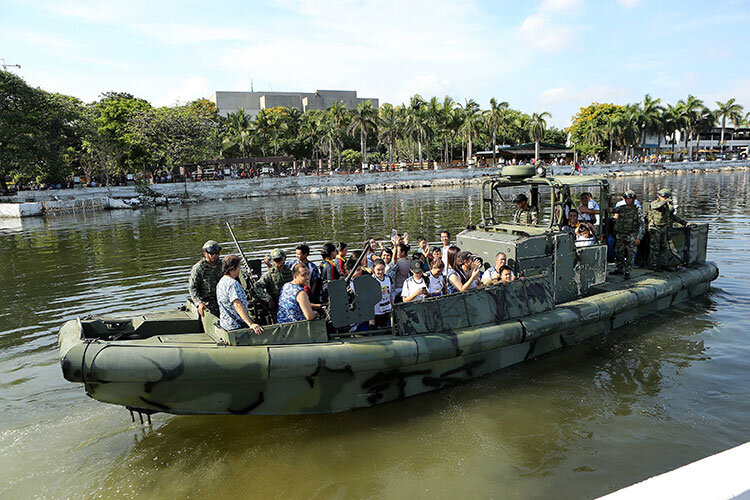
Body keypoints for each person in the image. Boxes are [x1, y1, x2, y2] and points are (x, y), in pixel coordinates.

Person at [216, 255, 263, 334]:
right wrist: (251, 324)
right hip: (236, 327)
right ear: (232, 268)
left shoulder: (221, 281)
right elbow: (237, 305)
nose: (240, 269)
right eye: (238, 266)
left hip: (225, 325)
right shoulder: (233, 284)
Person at [647, 188, 687, 271]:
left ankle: (663, 264)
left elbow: (672, 214)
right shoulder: (655, 203)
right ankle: (653, 265)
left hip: (664, 228)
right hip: (655, 227)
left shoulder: (667, 206)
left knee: (664, 248)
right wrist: (666, 202)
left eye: (666, 197)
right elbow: (657, 206)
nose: (664, 198)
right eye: (663, 197)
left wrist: (684, 223)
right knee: (655, 248)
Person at [610, 190, 645, 279]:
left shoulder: (638, 210)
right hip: (621, 234)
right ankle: (620, 268)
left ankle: (628, 271)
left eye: (630, 199)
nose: (628, 200)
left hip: (631, 235)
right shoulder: (621, 208)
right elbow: (610, 210)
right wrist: (609, 200)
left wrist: (638, 237)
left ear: (633, 199)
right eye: (626, 199)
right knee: (619, 252)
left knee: (630, 253)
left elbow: (642, 224)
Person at [189, 240, 224, 317]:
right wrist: (199, 303)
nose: (214, 255)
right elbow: (193, 288)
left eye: (217, 253)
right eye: (211, 253)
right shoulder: (199, 268)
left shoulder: (223, 265)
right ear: (205, 253)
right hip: (207, 301)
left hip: (222, 299)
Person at [257, 248, 294, 313]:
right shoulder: (269, 274)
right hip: (276, 305)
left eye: (279, 259)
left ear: (284, 259)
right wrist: (268, 299)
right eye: (276, 260)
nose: (278, 262)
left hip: (290, 303)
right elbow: (257, 287)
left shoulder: (291, 272)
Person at [370, 259, 393, 328]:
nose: (381, 272)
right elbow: (369, 296)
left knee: (385, 325)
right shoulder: (371, 280)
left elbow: (390, 293)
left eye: (382, 269)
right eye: (378, 270)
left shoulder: (388, 278)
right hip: (376, 310)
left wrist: (392, 305)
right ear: (374, 269)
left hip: (386, 307)